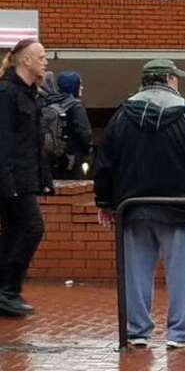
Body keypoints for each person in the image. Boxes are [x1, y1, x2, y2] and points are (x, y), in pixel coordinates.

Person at [93, 59, 185, 347]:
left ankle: (136, 331)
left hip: (133, 206)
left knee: (134, 273)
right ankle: (181, 331)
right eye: (176, 78)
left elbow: (104, 162)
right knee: (184, 272)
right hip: (178, 207)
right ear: (168, 79)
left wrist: (104, 200)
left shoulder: (122, 115)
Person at [0, 39, 51, 316]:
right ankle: (8, 289)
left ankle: (6, 290)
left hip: (24, 177)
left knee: (13, 231)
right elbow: (5, 141)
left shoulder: (30, 94)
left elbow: (31, 143)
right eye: (41, 57)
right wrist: (7, 182)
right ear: (25, 61)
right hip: (12, 180)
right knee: (32, 227)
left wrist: (43, 177)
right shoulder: (7, 93)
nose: (45, 62)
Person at [43, 71, 92, 180]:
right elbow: (85, 133)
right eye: (80, 84)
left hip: (54, 159)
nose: (82, 87)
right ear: (73, 86)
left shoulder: (50, 102)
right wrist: (88, 150)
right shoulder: (76, 106)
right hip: (73, 158)